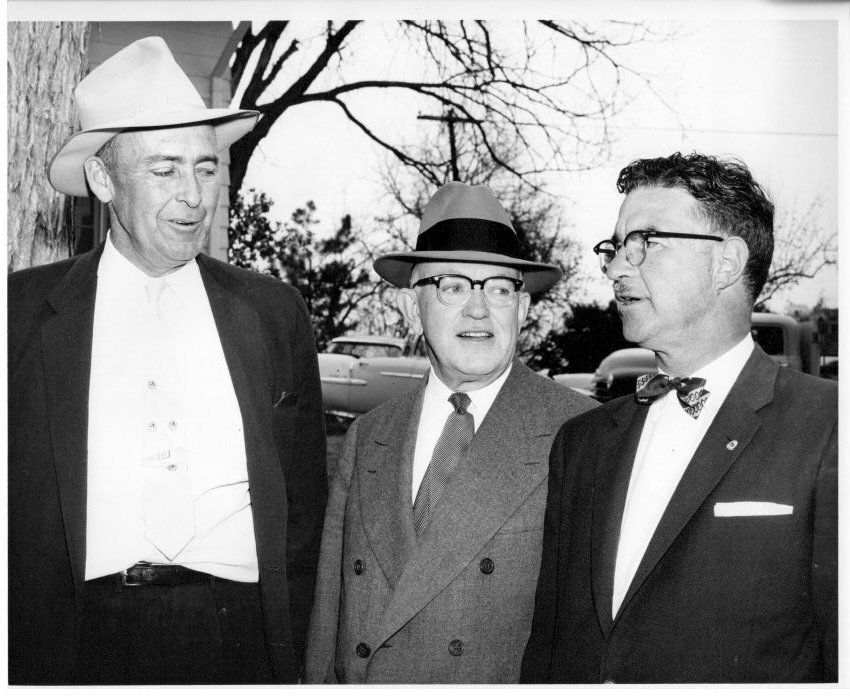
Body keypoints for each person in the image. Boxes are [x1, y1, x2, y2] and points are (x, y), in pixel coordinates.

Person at [8, 37, 327, 685]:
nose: (193, 196)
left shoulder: (273, 313)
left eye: (205, 169)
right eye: (164, 170)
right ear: (103, 180)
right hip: (75, 643)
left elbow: (303, 510)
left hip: (239, 639)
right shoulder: (19, 316)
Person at [521, 152, 837, 683]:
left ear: (726, 263)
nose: (617, 268)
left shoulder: (829, 426)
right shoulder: (581, 442)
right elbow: (548, 649)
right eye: (615, 249)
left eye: (645, 242)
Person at [304, 181, 596, 684]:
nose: (478, 309)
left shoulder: (580, 432)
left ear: (523, 308)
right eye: (453, 286)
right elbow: (329, 619)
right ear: (410, 306)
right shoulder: (370, 435)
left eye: (499, 289)